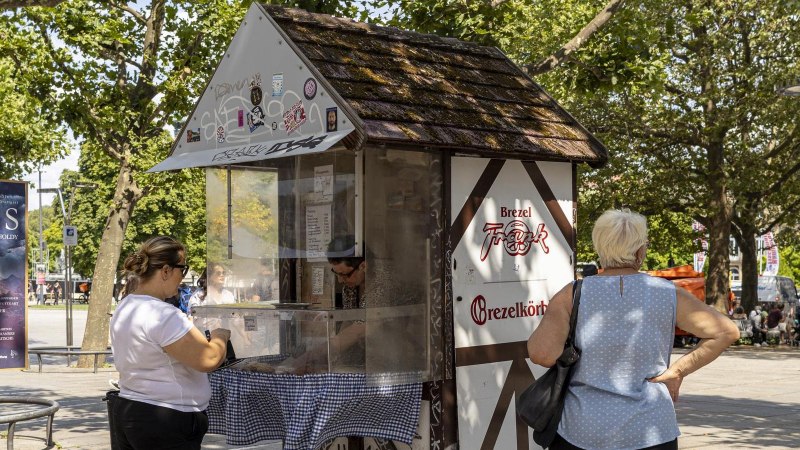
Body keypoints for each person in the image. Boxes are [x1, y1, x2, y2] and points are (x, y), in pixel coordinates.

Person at [528, 209, 738, 450]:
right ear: (640, 251)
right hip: (651, 429)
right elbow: (726, 332)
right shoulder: (668, 293)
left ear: (600, 247)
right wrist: (678, 371)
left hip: (583, 429)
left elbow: (541, 354)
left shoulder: (572, 294)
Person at [109, 236, 231, 449]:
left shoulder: (126, 305)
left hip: (130, 408)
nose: (182, 278)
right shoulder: (163, 314)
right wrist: (221, 336)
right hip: (166, 418)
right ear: (165, 270)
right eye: (182, 270)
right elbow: (209, 359)